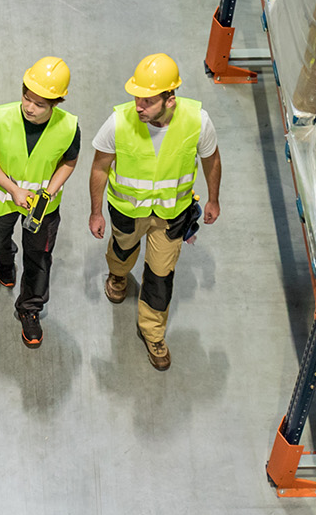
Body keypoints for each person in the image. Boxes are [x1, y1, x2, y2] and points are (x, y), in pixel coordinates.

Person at [86, 53, 222, 371]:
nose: (138, 106)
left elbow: (211, 160)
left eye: (147, 101)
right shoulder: (118, 121)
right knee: (122, 251)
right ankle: (118, 276)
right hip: (127, 211)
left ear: (170, 98)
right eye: (136, 98)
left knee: (160, 276)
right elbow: (99, 168)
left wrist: (213, 200)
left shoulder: (197, 121)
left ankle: (153, 332)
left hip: (172, 215)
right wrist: (96, 212)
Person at [0, 56, 79, 349]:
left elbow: (69, 162)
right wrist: (13, 190)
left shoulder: (69, 127)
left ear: (56, 103)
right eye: (26, 97)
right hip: (4, 201)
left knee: (39, 257)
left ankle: (30, 308)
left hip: (42, 209)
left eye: (39, 104)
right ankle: (3, 257)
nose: (29, 107)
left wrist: (50, 190)